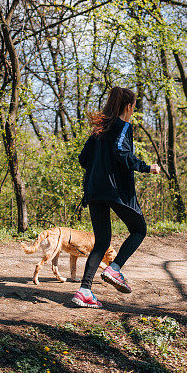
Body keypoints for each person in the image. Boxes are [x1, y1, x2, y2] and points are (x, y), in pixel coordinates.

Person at [72, 86, 161, 309]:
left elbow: (83, 159)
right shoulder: (123, 126)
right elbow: (122, 154)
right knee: (139, 229)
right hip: (115, 191)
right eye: (133, 107)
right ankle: (114, 268)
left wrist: (98, 169)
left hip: (94, 191)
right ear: (128, 106)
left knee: (102, 242)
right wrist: (146, 167)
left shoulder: (99, 129)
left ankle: (84, 291)